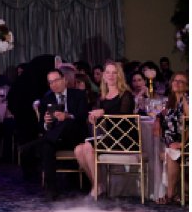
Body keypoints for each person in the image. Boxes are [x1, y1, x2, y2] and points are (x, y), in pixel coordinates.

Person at [19, 67, 89, 197]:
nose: (53, 85)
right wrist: (46, 122)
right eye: (50, 82)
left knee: (67, 123)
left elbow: (83, 116)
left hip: (75, 137)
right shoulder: (46, 99)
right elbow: (42, 127)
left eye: (56, 81)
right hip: (56, 139)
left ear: (64, 80)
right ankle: (51, 189)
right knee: (47, 147)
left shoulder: (78, 95)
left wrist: (67, 116)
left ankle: (36, 143)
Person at [74, 61, 135, 198]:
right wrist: (93, 118)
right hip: (108, 137)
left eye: (114, 72)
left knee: (89, 146)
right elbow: (100, 118)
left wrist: (103, 112)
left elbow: (123, 118)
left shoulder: (125, 94)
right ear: (104, 76)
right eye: (108, 72)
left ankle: (97, 188)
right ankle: (98, 184)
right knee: (78, 150)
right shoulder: (102, 96)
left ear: (119, 75)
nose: (111, 75)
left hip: (123, 138)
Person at [158, 72, 187, 204]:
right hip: (171, 143)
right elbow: (163, 117)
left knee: (171, 153)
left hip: (185, 143)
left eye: (181, 81)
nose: (176, 83)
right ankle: (177, 193)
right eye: (175, 80)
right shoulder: (171, 101)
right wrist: (157, 120)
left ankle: (170, 195)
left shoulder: (187, 100)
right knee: (167, 152)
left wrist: (182, 144)